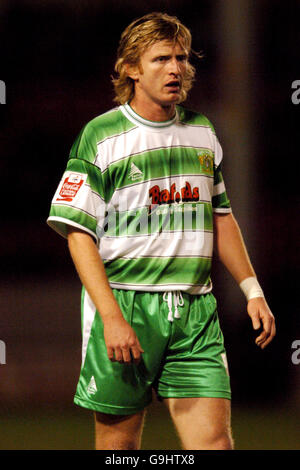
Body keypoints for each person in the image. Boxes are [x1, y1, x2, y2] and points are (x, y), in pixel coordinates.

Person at [47, 12, 276, 450]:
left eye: (182, 58)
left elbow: (221, 216)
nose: (176, 69)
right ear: (130, 68)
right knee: (120, 449)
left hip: (194, 311)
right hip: (125, 303)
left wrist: (252, 289)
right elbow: (78, 234)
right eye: (161, 59)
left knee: (215, 444)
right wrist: (111, 317)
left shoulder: (202, 132)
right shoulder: (102, 136)